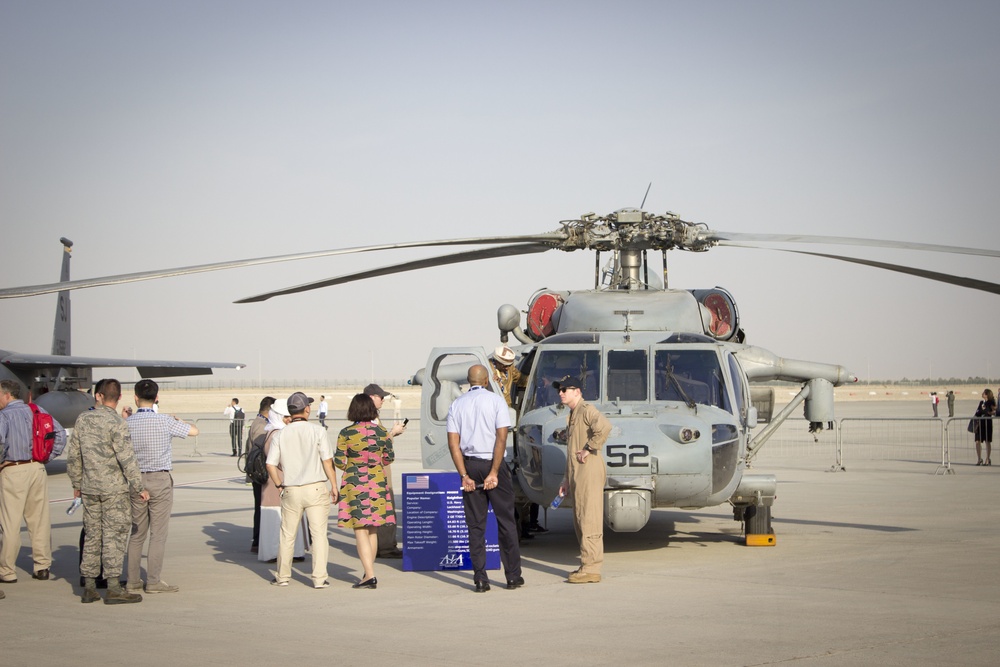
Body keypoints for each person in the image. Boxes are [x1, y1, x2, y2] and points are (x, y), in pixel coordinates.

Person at [66, 378, 149, 604]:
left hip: (90, 488)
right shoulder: (117, 423)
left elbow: (74, 456)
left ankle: (90, 587)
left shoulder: (83, 419)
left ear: (99, 396)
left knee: (93, 536)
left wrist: (76, 484)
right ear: (119, 397)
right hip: (114, 490)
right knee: (113, 536)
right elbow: (126, 457)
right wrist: (138, 486)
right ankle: (113, 587)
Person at [446, 365, 522, 593]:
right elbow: (501, 438)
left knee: (476, 526)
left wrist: (464, 476)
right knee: (506, 522)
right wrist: (494, 473)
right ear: (487, 380)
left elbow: (453, 444)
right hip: (493, 464)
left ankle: (480, 579)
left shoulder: (457, 404)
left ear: (469, 381)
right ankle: (512, 576)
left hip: (470, 464)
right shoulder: (496, 401)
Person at [125, 379, 198, 594]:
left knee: (137, 533)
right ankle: (153, 581)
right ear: (157, 398)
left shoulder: (127, 423)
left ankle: (132, 580)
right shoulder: (165, 421)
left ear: (135, 398)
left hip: (136, 481)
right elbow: (194, 431)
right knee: (158, 534)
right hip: (160, 479)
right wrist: (180, 420)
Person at [265, 392, 338, 588]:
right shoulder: (318, 431)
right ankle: (319, 578)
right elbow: (327, 461)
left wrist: (279, 484)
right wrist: (334, 485)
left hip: (291, 490)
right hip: (315, 488)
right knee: (319, 535)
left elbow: (270, 464)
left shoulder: (280, 434)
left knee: (287, 535)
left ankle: (282, 576)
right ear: (307, 409)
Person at [0, 379, 67, 584]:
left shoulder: (3, 416)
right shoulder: (36, 410)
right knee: (39, 521)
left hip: (13, 470)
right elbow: (60, 434)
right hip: (37, 469)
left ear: (7, 395)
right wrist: (46, 458)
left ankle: (7, 571)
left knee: (10, 523)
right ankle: (42, 566)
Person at [555, 375, 612, 584]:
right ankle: (586, 563)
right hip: (577, 471)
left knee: (589, 518)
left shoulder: (586, 410)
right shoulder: (572, 414)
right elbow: (571, 451)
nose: (561, 393)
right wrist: (566, 480)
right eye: (559, 390)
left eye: (565, 389)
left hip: (588, 470)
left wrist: (589, 448)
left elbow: (604, 427)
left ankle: (592, 568)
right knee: (580, 517)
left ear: (577, 391)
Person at [335, 394, 396, 589]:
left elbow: (338, 461)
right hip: (377, 480)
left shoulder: (346, 433)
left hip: (355, 482)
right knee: (373, 529)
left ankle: (369, 575)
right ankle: (370, 570)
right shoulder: (381, 432)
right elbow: (389, 458)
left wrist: (353, 466)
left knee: (360, 528)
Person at [257, 399, 308, 563]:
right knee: (276, 518)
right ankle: (274, 552)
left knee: (289, 517)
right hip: (277, 483)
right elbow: (279, 461)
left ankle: (295, 551)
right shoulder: (276, 434)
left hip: (285, 482)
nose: (289, 420)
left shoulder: (277, 432)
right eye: (286, 417)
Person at [364, 383, 405, 559]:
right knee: (386, 506)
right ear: (372, 397)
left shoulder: (369, 417)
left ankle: (381, 545)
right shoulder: (371, 419)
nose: (383, 401)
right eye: (381, 397)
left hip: (375, 468)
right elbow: (376, 444)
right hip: (379, 469)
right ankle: (386, 547)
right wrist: (393, 433)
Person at [247, 396, 276, 553]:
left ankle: (258, 540)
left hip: (260, 474)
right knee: (261, 508)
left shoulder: (259, 423)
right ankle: (258, 541)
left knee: (261, 507)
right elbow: (260, 453)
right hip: (261, 475)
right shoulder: (261, 426)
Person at [973, 388, 996, 466]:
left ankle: (987, 458)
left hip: (987, 423)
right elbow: (978, 412)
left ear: (987, 394)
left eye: (983, 393)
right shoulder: (981, 402)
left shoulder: (991, 402)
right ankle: (979, 458)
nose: (982, 394)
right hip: (980, 423)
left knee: (987, 441)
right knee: (977, 441)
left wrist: (986, 411)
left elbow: (992, 411)